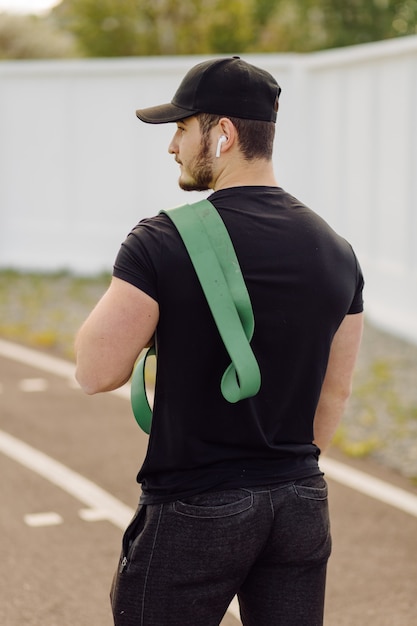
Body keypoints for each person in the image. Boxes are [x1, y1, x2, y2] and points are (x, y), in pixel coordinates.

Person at [75, 57, 364, 626]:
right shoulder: (337, 250)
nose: (172, 146)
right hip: (301, 503)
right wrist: (278, 478)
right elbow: (336, 393)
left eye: (182, 129)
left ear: (224, 134)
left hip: (195, 506)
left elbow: (93, 370)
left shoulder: (162, 240)